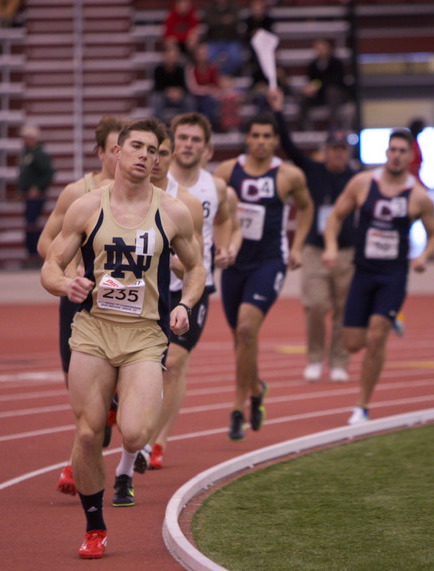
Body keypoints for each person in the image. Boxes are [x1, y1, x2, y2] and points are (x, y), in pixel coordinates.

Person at [40, 117, 205, 559]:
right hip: (94, 330)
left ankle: (123, 406)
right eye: (136, 147)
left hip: (144, 334)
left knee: (133, 436)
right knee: (88, 435)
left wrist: (186, 304)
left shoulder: (172, 212)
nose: (144, 156)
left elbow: (196, 268)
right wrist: (66, 284)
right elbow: (50, 265)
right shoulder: (86, 207)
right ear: (117, 152)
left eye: (152, 150)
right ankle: (95, 527)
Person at [322, 128, 434, 425]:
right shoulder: (363, 183)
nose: (396, 156)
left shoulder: (418, 196)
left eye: (402, 151)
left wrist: (423, 257)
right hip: (363, 273)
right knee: (352, 343)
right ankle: (390, 320)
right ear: (386, 153)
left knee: (375, 338)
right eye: (393, 150)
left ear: (410, 156)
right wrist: (331, 247)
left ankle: (361, 406)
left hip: (393, 276)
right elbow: (335, 217)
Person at [35, 114, 127, 497]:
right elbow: (46, 242)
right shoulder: (77, 193)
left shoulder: (143, 195)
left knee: (106, 392)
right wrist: (70, 267)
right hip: (78, 299)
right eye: (115, 149)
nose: (123, 155)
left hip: (123, 304)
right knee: (77, 386)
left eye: (128, 148)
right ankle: (99, 424)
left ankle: (76, 466)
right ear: (101, 152)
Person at [145, 112, 237, 469]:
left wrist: (225, 247)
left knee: (175, 362)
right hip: (149, 287)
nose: (187, 145)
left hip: (192, 285)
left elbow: (227, 219)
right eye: (182, 138)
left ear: (207, 149)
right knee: (145, 362)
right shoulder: (147, 184)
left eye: (195, 140)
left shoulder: (214, 188)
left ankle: (157, 441)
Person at [213, 112, 313, 441]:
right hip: (235, 262)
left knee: (246, 329)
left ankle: (237, 408)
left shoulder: (288, 175)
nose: (260, 141)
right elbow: (212, 211)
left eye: (267, 136)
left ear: (275, 140)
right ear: (246, 137)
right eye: (255, 135)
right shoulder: (227, 171)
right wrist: (219, 246)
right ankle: (257, 389)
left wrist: (297, 247)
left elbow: (306, 207)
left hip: (270, 262)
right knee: (241, 338)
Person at [267, 87, 359, 383]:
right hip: (315, 250)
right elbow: (289, 146)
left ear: (347, 152)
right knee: (316, 305)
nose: (337, 153)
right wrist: (278, 111)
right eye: (333, 148)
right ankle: (316, 358)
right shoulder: (312, 170)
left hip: (347, 252)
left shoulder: (356, 178)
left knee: (345, 309)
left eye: (342, 148)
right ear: (325, 150)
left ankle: (339, 361)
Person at [17, 123, 54, 259]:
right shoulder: (26, 153)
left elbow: (48, 172)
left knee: (31, 223)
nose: (23, 140)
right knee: (30, 223)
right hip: (27, 195)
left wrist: (38, 187)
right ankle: (31, 251)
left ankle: (34, 251)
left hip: (35, 196)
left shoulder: (39, 155)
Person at [297, 38, 351, 131]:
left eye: (322, 49)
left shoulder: (336, 63)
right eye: (317, 49)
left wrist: (317, 85)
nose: (320, 51)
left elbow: (335, 80)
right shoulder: (313, 65)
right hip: (320, 95)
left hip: (337, 94)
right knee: (304, 96)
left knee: (332, 92)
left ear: (328, 49)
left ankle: (333, 125)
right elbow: (311, 80)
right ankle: (304, 127)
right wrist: (309, 88)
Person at [150, 41, 192, 125]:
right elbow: (157, 86)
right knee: (156, 99)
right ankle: (157, 126)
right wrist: (168, 92)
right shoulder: (158, 70)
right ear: (165, 56)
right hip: (164, 97)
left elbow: (185, 86)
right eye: (169, 56)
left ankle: (189, 124)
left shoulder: (181, 69)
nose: (171, 58)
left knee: (189, 100)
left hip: (178, 97)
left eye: (173, 56)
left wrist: (178, 92)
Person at [185, 41, 221, 131]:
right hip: (194, 96)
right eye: (200, 53)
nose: (202, 56)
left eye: (204, 53)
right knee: (190, 102)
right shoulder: (191, 68)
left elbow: (216, 86)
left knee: (208, 102)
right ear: (195, 55)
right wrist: (207, 89)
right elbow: (192, 88)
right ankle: (191, 128)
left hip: (208, 97)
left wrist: (212, 91)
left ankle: (207, 129)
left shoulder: (212, 68)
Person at [202, 0, 243, 76]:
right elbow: (209, 21)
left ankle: (226, 75)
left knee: (236, 58)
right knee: (208, 57)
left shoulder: (233, 6)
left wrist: (217, 21)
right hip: (214, 40)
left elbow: (237, 20)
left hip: (231, 40)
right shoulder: (210, 7)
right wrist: (225, 20)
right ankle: (217, 77)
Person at [406, 118, 426, 186]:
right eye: (421, 127)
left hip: (415, 175)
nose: (422, 129)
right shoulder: (410, 143)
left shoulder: (415, 141)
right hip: (411, 176)